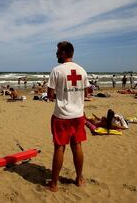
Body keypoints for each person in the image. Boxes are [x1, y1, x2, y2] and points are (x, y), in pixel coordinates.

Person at [47, 41, 89, 192]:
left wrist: (61, 93)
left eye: (58, 51)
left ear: (64, 53)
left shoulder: (57, 70)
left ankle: (54, 184)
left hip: (62, 116)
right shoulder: (82, 70)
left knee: (59, 148)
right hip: (78, 115)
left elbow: (50, 95)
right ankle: (79, 178)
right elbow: (86, 92)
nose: (56, 54)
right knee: (77, 145)